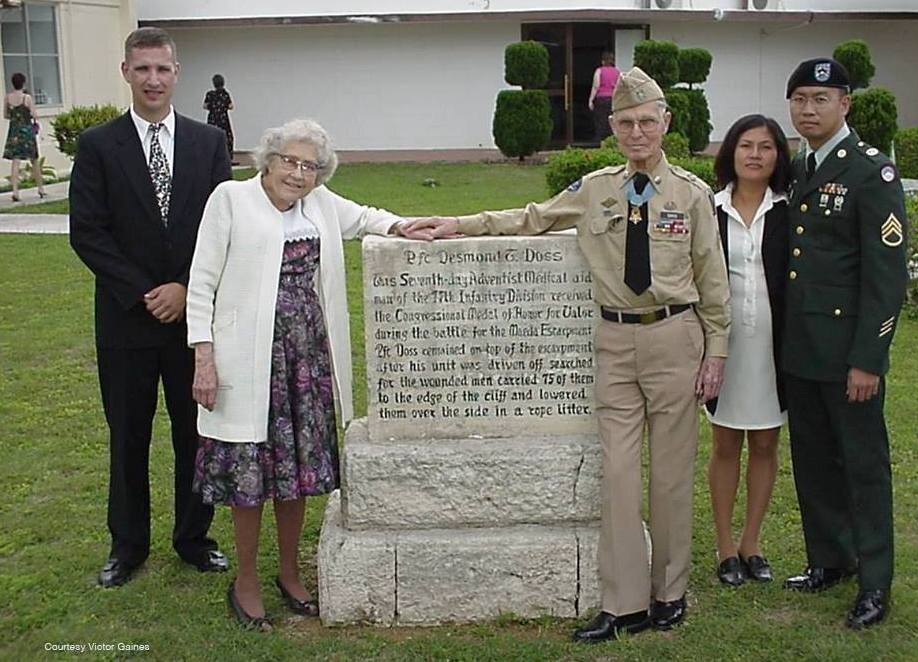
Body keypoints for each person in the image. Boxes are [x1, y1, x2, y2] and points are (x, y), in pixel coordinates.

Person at [407, 66, 730, 643]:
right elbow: (532, 218)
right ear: (612, 127)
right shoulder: (596, 189)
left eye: (647, 122)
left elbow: (713, 279)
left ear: (666, 123)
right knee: (619, 474)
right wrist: (457, 223)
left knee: (673, 475)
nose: (637, 133)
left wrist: (717, 353)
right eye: (626, 123)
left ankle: (670, 592)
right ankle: (623, 602)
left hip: (674, 339)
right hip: (614, 341)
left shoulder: (692, 195)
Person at [187, 118, 434, 631]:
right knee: (250, 476)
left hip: (304, 361)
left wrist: (406, 225)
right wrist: (203, 357)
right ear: (269, 160)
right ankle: (247, 580)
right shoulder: (230, 199)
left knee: (296, 473)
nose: (298, 174)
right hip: (246, 360)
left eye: (310, 166)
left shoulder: (319, 204)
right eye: (290, 161)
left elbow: (368, 217)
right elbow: (201, 281)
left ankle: (289, 572)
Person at [69, 27, 233, 589]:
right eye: (142, 70)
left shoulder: (209, 143)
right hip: (126, 321)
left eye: (162, 69)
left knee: (195, 433)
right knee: (128, 436)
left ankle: (194, 538)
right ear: (126, 73)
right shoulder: (97, 146)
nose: (153, 80)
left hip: (194, 320)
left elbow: (222, 228)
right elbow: (88, 233)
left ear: (176, 72)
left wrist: (186, 288)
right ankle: (128, 546)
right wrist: (147, 291)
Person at [781, 58, 907, 629]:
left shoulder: (870, 173)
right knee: (813, 462)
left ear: (845, 104)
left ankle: (875, 583)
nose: (809, 109)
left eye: (821, 99)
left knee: (863, 467)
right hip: (802, 351)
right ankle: (830, 559)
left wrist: (868, 360)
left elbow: (885, 278)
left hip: (849, 356)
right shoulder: (801, 166)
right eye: (801, 99)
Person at [704, 114, 791, 587]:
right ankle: (723, 547)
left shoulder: (789, 209)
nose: (755, 155)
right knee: (725, 442)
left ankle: (751, 542)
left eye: (766, 147)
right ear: (731, 153)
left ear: (778, 156)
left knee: (765, 441)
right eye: (746, 146)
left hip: (775, 345)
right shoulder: (709, 208)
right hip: (724, 342)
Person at [3, 72, 45, 202]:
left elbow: (6, 115)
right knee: (34, 160)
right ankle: (40, 188)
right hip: (27, 131)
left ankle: (15, 191)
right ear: (23, 83)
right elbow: (34, 114)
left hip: (14, 131)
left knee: (16, 161)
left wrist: (16, 117)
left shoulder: (7, 98)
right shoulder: (27, 98)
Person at [588, 52, 620, 142]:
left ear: (603, 61)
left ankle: (600, 141)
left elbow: (596, 86)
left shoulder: (599, 71)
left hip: (601, 99)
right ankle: (611, 141)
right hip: (613, 99)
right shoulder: (617, 72)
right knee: (611, 121)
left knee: (600, 121)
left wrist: (591, 100)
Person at [203, 74, 234, 160]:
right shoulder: (225, 94)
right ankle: (227, 156)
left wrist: (212, 107)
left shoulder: (210, 94)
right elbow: (231, 106)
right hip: (223, 119)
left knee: (211, 136)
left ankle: (211, 155)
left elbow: (205, 106)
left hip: (213, 118)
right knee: (227, 137)